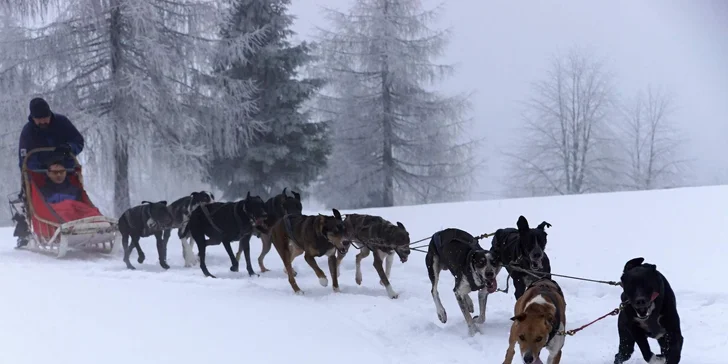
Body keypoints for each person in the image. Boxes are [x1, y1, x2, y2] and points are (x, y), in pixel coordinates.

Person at [13, 97, 85, 248]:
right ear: (33, 118)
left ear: (49, 114)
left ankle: (79, 220)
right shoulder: (28, 132)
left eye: (45, 118)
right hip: (40, 173)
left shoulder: (62, 123)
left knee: (74, 195)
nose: (43, 121)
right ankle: (24, 233)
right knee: (28, 199)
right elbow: (24, 158)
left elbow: (78, 141)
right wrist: (42, 167)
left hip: (65, 170)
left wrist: (69, 148)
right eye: (39, 119)